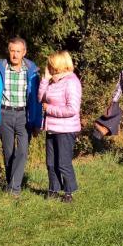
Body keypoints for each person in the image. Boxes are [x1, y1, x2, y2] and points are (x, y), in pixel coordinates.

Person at [0, 37, 43, 197]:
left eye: (18, 51)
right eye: (12, 51)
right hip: (5, 114)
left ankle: (14, 189)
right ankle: (12, 184)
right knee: (8, 152)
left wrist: (38, 122)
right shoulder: (0, 70)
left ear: (24, 52)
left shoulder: (32, 72)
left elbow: (38, 100)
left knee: (23, 151)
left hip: (25, 115)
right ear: (8, 52)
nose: (15, 55)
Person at [38, 51, 82, 202]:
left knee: (63, 163)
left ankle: (69, 193)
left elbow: (72, 109)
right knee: (51, 163)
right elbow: (41, 98)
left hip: (66, 129)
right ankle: (53, 189)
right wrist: (44, 79)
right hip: (51, 127)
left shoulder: (71, 81)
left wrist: (49, 109)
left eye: (50, 64)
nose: (48, 66)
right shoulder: (53, 81)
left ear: (58, 65)